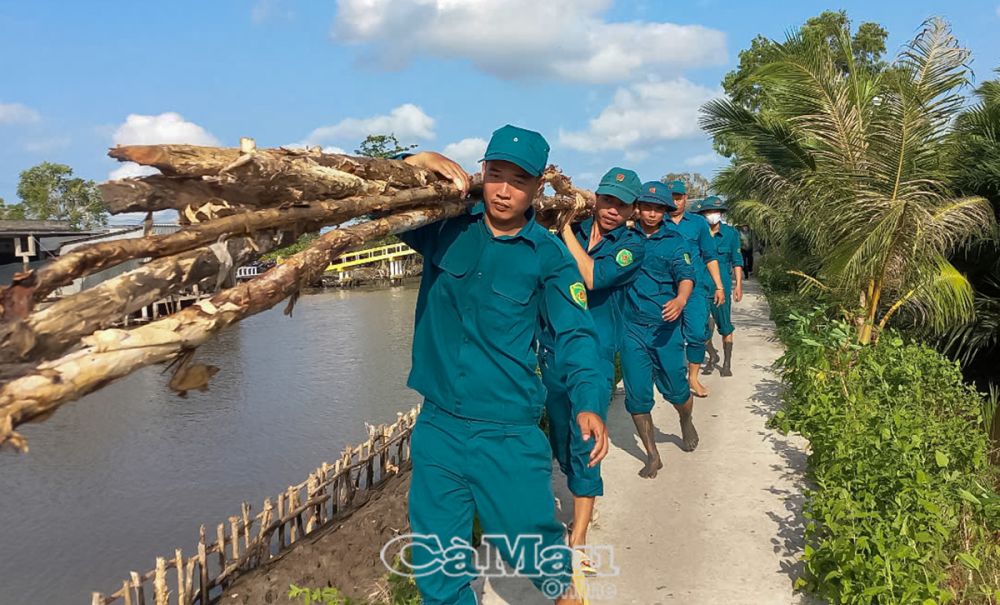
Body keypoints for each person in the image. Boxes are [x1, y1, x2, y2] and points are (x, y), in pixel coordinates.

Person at [396, 125, 610, 605]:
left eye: (519, 180)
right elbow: (380, 207)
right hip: (439, 426)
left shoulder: (549, 257)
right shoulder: (446, 228)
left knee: (537, 554)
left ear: (538, 187)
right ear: (481, 174)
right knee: (438, 569)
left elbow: (575, 335)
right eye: (496, 175)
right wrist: (417, 161)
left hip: (506, 432)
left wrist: (589, 401)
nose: (505, 190)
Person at [540, 167, 644, 566]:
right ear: (596, 199)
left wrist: (564, 230)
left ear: (632, 210)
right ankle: (583, 496)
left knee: (583, 443)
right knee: (562, 446)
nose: (612, 210)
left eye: (621, 204)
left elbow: (593, 276)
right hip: (553, 351)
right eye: (607, 200)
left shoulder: (631, 247)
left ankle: (579, 534)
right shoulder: (580, 227)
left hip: (595, 357)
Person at [620, 181, 697, 479]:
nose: (651, 214)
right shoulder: (625, 238)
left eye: (658, 209)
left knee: (677, 391)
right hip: (632, 329)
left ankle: (685, 419)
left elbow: (686, 275)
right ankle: (653, 454)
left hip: (665, 329)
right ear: (638, 208)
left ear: (665, 211)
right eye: (647, 207)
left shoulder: (676, 242)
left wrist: (680, 299)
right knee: (637, 395)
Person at [662, 181, 725, 398]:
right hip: (666, 289)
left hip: (696, 289)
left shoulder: (698, 223)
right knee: (670, 336)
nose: (674, 201)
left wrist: (719, 286)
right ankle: (673, 375)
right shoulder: (657, 221)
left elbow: (709, 256)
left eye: (678, 197)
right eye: (670, 197)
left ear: (685, 198)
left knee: (697, 333)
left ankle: (693, 378)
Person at [693, 197, 744, 377]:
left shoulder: (731, 234)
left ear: (721, 214)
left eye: (715, 212)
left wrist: (738, 285)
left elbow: (737, 261)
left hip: (721, 288)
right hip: (700, 288)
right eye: (707, 212)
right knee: (701, 328)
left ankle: (727, 362)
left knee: (725, 326)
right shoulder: (698, 233)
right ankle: (712, 355)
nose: (712, 215)